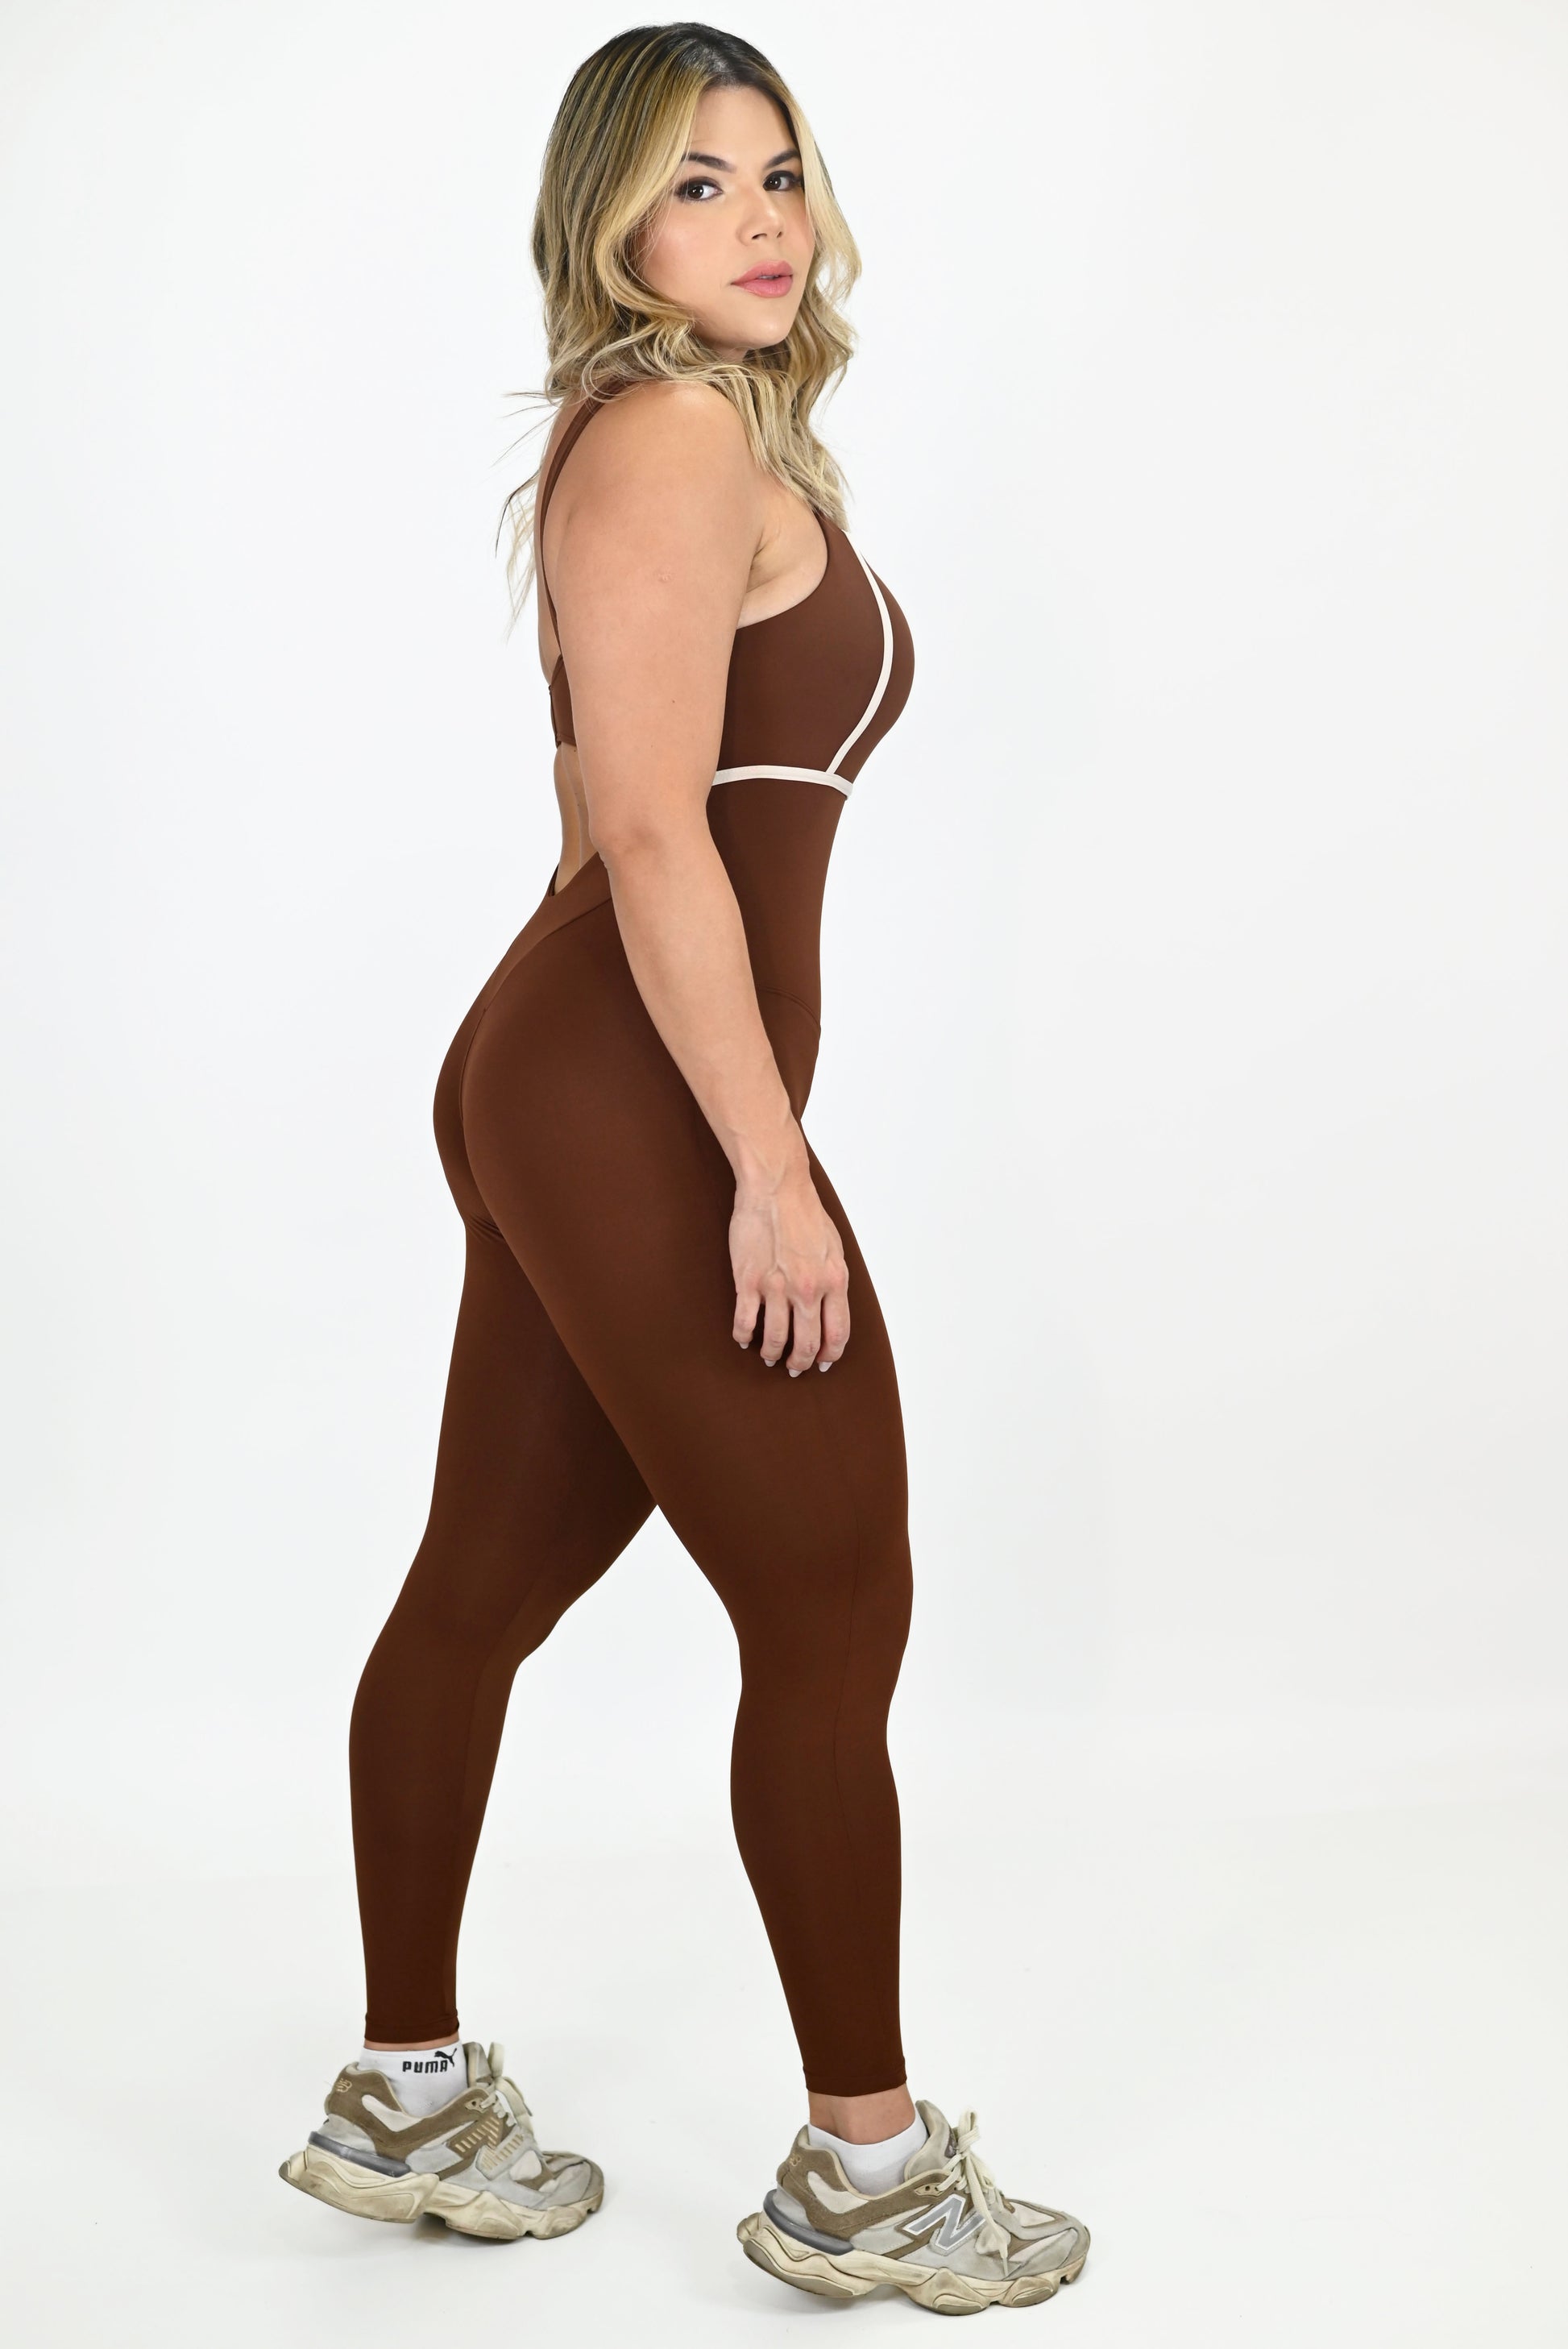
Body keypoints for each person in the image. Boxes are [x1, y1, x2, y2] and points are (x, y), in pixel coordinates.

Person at [277, 22, 1089, 2313]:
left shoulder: (692, 435)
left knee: (483, 1577)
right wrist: (760, 1163)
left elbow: (600, 810)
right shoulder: (665, 436)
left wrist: (555, 1104)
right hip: (632, 1090)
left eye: (778, 171)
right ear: (609, 224)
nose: (756, 218)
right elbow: (644, 831)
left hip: (587, 1079)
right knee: (831, 1603)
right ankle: (867, 2171)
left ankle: (403, 2095)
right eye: (696, 183)